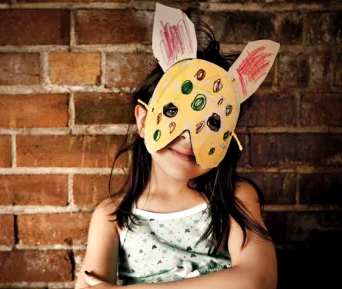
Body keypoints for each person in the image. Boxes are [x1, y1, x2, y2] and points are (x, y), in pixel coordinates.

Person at [74, 5, 278, 289]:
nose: (189, 137)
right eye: (173, 112)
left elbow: (258, 279)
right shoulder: (112, 216)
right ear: (144, 121)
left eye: (213, 123)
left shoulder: (235, 197)